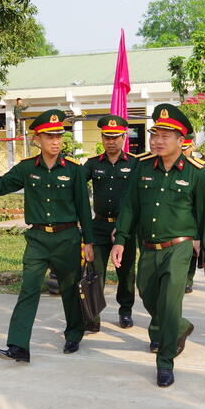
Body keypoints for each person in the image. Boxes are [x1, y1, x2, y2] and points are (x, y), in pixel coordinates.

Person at [0, 109, 95, 363]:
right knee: (28, 289)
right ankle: (18, 346)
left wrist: (88, 242)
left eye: (59, 136)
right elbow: (2, 188)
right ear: (38, 139)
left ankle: (73, 334)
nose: (56, 141)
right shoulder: (27, 168)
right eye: (50, 137)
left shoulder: (74, 170)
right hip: (37, 240)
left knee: (70, 289)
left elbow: (83, 208)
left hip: (67, 238)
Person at [110, 104, 205, 388]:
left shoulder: (195, 172)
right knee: (147, 294)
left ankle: (165, 361)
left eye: (165, 136)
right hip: (148, 247)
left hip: (179, 247)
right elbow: (129, 207)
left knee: (170, 303)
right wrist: (120, 239)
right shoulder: (142, 166)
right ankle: (180, 327)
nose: (157, 140)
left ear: (181, 140)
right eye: (155, 134)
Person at [84, 115, 138, 330]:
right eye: (107, 137)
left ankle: (125, 311)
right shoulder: (93, 164)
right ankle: (93, 316)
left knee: (126, 272)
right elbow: (76, 186)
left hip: (125, 228)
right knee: (95, 273)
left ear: (124, 137)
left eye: (115, 137)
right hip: (99, 226)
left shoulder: (135, 164)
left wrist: (125, 227)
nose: (111, 141)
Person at [181, 134, 205, 294]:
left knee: (192, 251)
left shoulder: (198, 167)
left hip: (193, 217)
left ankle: (188, 280)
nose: (183, 152)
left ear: (191, 148)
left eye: (186, 149)